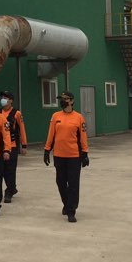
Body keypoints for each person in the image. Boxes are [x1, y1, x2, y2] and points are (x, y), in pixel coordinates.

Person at [43, 91, 89, 223]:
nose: (63, 101)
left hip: (74, 156)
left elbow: (83, 137)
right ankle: (67, 203)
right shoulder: (55, 116)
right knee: (61, 182)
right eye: (61, 99)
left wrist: (85, 153)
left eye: (65, 99)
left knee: (73, 184)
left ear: (72, 101)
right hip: (59, 155)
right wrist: (47, 150)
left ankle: (71, 210)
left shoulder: (79, 117)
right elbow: (51, 134)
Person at [0, 90, 28, 203]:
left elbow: (22, 129)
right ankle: (12, 187)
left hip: (12, 145)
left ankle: (9, 191)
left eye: (5, 98)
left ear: (11, 100)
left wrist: (24, 145)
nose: (3, 100)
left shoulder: (17, 113)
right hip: (0, 146)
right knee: (2, 170)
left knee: (10, 169)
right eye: (2, 97)